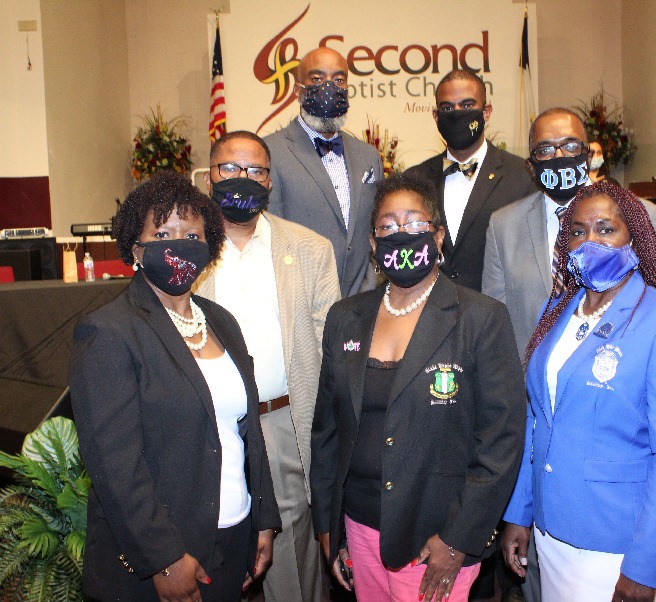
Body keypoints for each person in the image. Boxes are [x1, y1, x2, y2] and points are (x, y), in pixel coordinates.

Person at [310, 174, 526, 602]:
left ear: (439, 236)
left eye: (414, 224)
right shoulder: (345, 317)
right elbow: (328, 431)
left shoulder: (480, 318)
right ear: (373, 243)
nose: (401, 236)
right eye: (388, 227)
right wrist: (329, 528)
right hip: (359, 526)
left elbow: (501, 440)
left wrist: (458, 540)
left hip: (435, 536)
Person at [70, 171, 281, 601]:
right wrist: (164, 558)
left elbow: (247, 432)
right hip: (164, 560)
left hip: (232, 537)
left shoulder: (221, 322)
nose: (179, 243)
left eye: (192, 233)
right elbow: (115, 466)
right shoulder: (109, 331)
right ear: (136, 248)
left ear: (209, 247)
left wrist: (262, 517)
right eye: (163, 232)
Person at [502, 180, 656, 602]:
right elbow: (536, 417)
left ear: (635, 236)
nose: (589, 241)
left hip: (616, 548)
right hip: (550, 530)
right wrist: (519, 512)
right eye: (577, 231)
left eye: (605, 229)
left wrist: (645, 568)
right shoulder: (554, 311)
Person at [194, 131, 340, 602]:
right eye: (230, 169)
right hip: (205, 428)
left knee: (293, 565)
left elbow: (329, 351)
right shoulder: (187, 251)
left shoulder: (311, 250)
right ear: (209, 175)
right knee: (206, 555)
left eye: (256, 170)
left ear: (271, 182)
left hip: (280, 424)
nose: (243, 179)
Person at [483, 107, 656, 360]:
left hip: (619, 379)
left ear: (588, 156)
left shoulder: (644, 216)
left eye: (570, 146)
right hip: (534, 387)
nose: (559, 156)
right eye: (545, 150)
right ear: (531, 167)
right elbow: (495, 324)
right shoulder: (503, 226)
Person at [264, 47, 384, 297]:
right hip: (301, 302)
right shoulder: (271, 152)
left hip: (360, 305)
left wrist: (369, 287)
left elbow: (377, 230)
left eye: (338, 80)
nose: (329, 87)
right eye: (317, 79)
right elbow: (268, 238)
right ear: (298, 91)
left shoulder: (368, 156)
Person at [406, 70, 535, 292]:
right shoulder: (414, 180)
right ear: (436, 116)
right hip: (430, 314)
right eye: (447, 108)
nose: (457, 114)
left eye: (467, 106)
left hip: (496, 314)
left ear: (486, 112)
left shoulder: (522, 176)